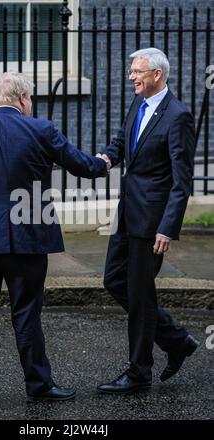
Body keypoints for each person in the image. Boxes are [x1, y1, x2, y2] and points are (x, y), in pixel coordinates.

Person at [0, 72, 110, 407]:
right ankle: (39, 385)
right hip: (28, 237)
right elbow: (81, 166)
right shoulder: (42, 130)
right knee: (26, 312)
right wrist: (105, 161)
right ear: (23, 99)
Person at [96, 48, 200, 394]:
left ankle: (139, 372)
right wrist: (108, 156)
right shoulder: (139, 103)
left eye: (137, 71)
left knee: (140, 295)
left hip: (152, 221)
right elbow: (125, 141)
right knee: (114, 280)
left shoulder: (178, 116)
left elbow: (182, 179)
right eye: (131, 71)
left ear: (157, 74)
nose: (131, 77)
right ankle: (176, 340)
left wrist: (168, 227)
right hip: (128, 213)